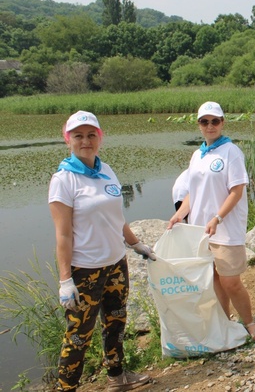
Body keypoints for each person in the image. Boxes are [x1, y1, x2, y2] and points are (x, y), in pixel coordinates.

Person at [49, 110, 153, 392]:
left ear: (100, 138)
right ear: (67, 140)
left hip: (116, 264)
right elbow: (63, 234)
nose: (86, 141)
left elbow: (116, 217)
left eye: (91, 135)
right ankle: (67, 387)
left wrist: (134, 243)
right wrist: (65, 279)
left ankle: (117, 378)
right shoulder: (63, 180)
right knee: (79, 336)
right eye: (78, 136)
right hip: (85, 271)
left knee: (116, 323)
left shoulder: (106, 170)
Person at [167, 101, 255, 341]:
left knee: (231, 281)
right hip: (202, 230)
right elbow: (193, 192)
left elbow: (237, 191)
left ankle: (250, 322)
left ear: (222, 123)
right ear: (199, 124)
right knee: (214, 278)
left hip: (225, 228)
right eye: (204, 121)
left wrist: (218, 217)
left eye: (215, 121)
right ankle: (224, 320)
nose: (210, 126)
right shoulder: (197, 155)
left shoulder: (231, 152)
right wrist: (180, 214)